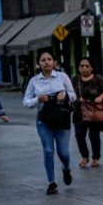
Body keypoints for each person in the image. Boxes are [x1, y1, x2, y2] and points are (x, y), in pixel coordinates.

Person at [24, 50, 76, 196]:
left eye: (49, 59)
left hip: (61, 118)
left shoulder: (62, 77)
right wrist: (38, 99)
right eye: (43, 60)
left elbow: (73, 96)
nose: (46, 62)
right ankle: (51, 183)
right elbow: (26, 102)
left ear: (54, 62)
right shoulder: (34, 81)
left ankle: (66, 168)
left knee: (63, 152)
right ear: (39, 63)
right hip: (44, 120)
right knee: (48, 150)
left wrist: (65, 96)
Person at [73, 58, 103, 169]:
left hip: (94, 112)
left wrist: (101, 97)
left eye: (87, 66)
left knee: (94, 135)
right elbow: (68, 92)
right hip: (79, 112)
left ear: (92, 68)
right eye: (82, 66)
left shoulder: (98, 79)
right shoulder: (74, 80)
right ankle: (84, 156)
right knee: (79, 135)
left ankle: (96, 157)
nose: (84, 68)